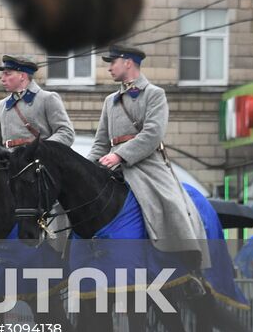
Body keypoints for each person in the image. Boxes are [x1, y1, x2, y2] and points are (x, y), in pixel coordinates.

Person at [89, 44, 209, 270]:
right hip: (113, 164)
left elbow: (152, 134)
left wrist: (120, 156)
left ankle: (187, 261)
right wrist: (85, 168)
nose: (109, 68)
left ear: (128, 62)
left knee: (171, 203)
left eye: (112, 62)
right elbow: (100, 143)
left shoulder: (154, 94)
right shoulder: (110, 101)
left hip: (146, 165)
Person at [0, 55, 75, 148]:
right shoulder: (1, 105)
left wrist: (42, 149)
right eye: (2, 74)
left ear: (22, 76)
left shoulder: (47, 99)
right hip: (8, 161)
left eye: (7, 74)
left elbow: (66, 133)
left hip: (39, 160)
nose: (2, 79)